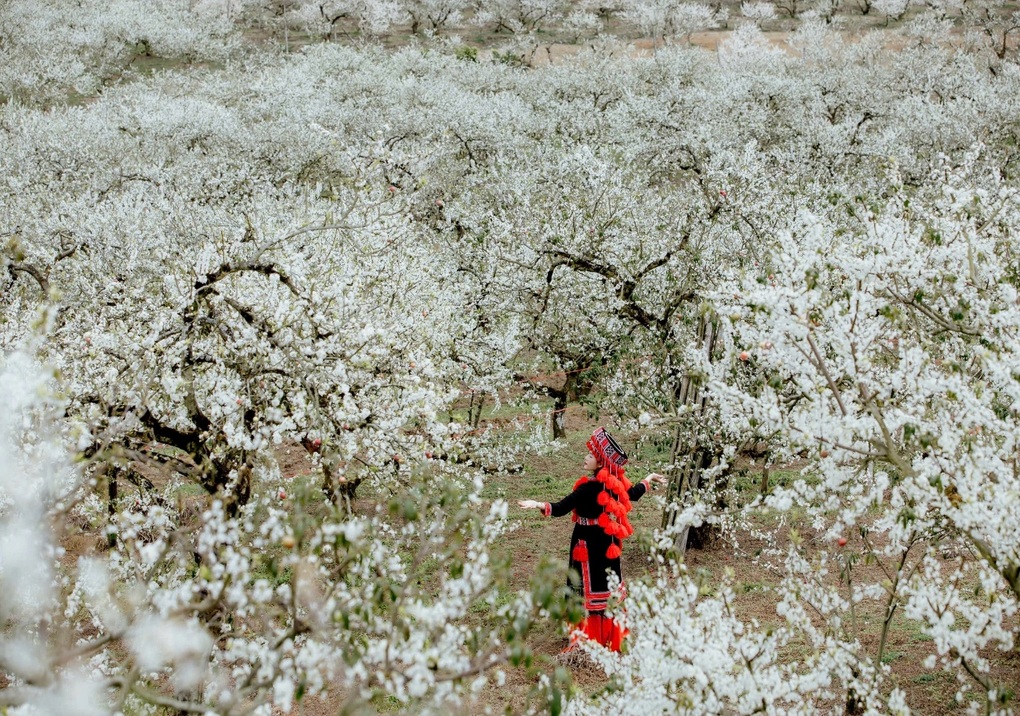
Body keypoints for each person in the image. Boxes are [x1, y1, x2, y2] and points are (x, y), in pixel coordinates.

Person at [518, 427, 666, 652]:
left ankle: (586, 636)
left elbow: (560, 508)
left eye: (590, 456)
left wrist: (537, 504)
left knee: (586, 587)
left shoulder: (588, 488)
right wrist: (648, 479)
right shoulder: (613, 484)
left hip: (586, 543)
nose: (585, 458)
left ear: (600, 463)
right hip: (607, 542)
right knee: (605, 585)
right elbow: (632, 494)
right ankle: (608, 635)